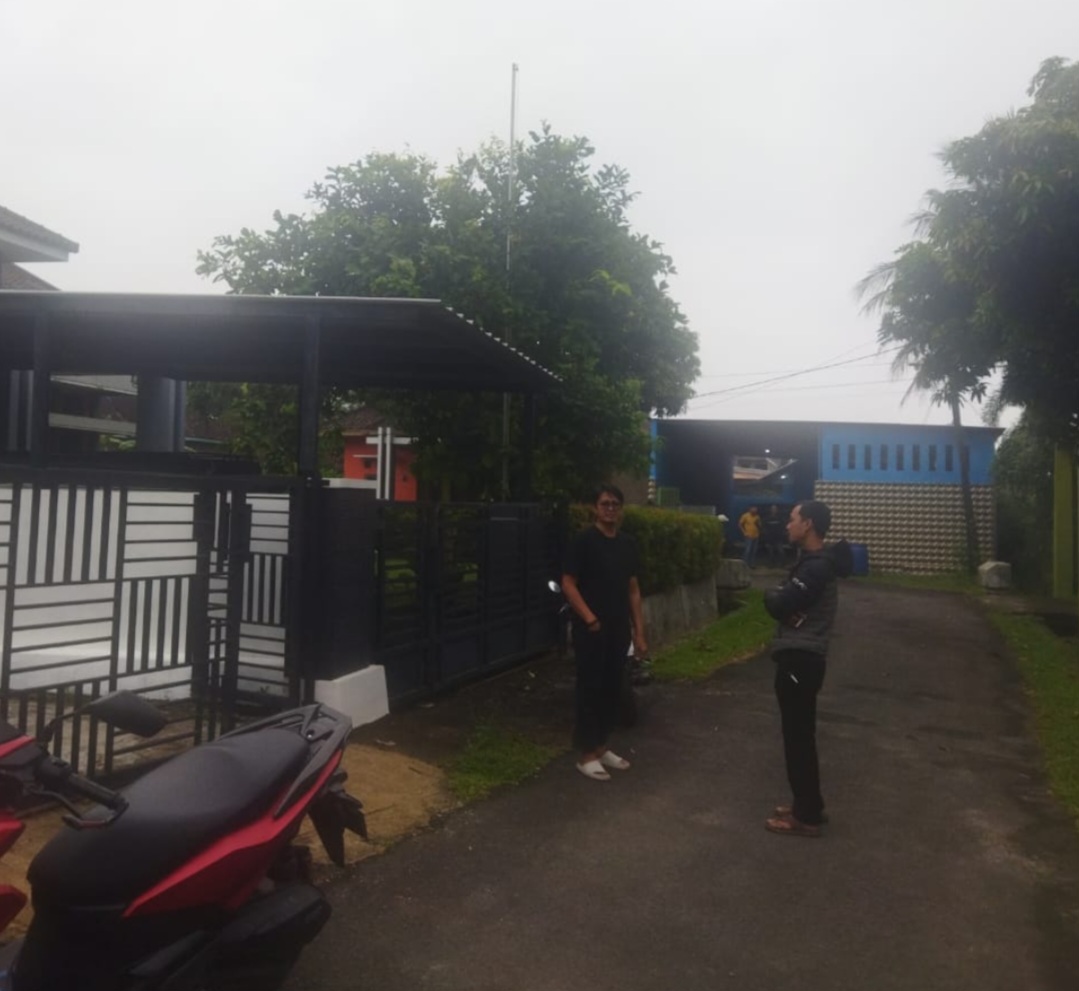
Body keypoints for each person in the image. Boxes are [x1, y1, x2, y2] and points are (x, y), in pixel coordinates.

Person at [762, 500, 851, 837]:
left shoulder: (815, 568)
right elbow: (787, 603)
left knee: (797, 738)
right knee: (801, 736)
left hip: (800, 659)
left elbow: (780, 603)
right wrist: (782, 599)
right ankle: (809, 803)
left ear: (808, 524)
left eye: (793, 519)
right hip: (803, 658)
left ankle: (806, 816)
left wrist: (775, 597)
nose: (788, 524)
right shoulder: (815, 564)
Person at [561, 484, 648, 781]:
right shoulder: (584, 541)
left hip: (618, 628)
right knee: (590, 688)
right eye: (605, 503)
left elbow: (633, 590)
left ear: (621, 510)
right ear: (595, 508)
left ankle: (601, 745)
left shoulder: (627, 544)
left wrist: (639, 632)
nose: (610, 508)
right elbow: (568, 583)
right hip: (591, 629)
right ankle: (586, 754)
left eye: (615, 504)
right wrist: (589, 618)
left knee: (612, 687)